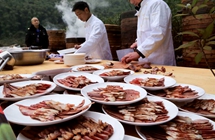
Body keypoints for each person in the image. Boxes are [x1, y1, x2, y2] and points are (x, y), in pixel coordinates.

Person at [121, 0, 176, 66]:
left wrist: (139, 53)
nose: (130, 1)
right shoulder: (142, 7)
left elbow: (158, 34)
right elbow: (145, 32)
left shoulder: (157, 4)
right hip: (144, 62)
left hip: (160, 61)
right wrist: (138, 42)